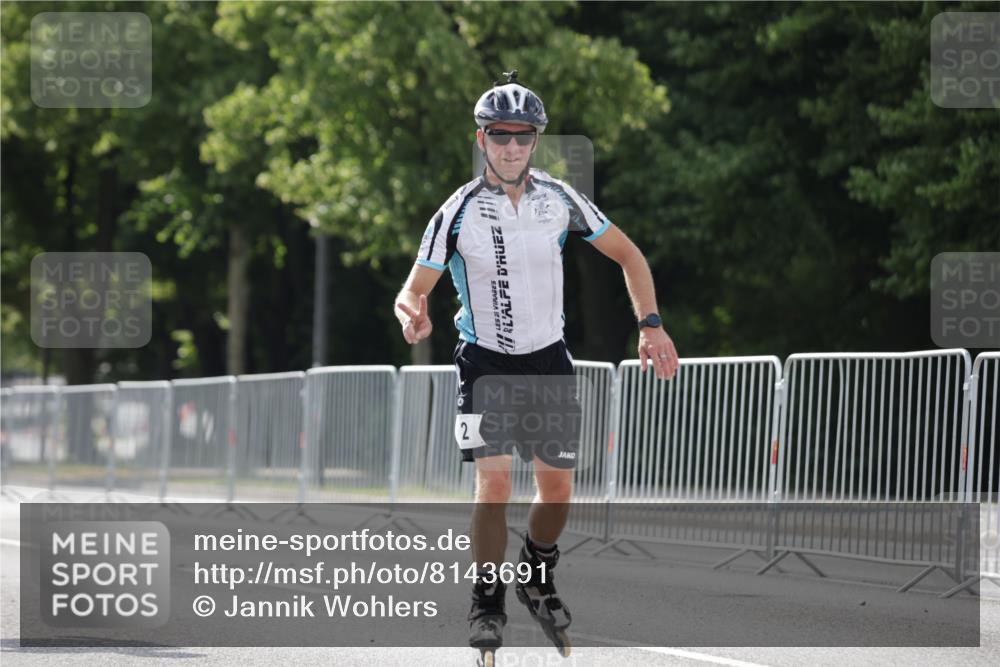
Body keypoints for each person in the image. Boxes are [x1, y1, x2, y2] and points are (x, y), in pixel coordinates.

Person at [394, 70, 678, 662]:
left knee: (557, 490)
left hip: (549, 361)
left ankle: (537, 572)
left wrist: (650, 326)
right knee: (493, 483)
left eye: (524, 136)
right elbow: (411, 289)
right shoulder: (458, 211)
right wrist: (411, 314)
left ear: (535, 142)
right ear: (482, 140)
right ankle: (486, 599)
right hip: (485, 364)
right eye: (500, 135)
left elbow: (627, 254)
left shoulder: (559, 198)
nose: (512, 146)